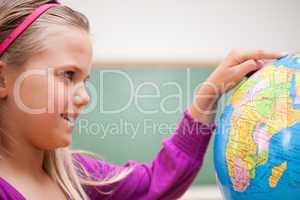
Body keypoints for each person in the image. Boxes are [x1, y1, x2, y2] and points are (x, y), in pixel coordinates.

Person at [0, 0, 286, 199]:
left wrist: (208, 94)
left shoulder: (77, 176)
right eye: (67, 75)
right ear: (3, 80)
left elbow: (156, 184)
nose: (85, 97)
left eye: (84, 80)